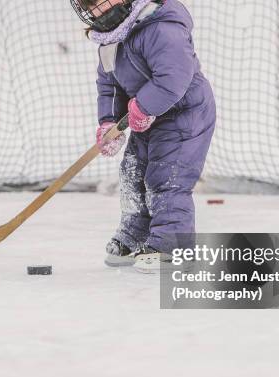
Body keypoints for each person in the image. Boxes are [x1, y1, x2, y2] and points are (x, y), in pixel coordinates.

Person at [70, 0, 216, 270]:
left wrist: (145, 106)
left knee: (165, 176)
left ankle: (171, 246)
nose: (96, 9)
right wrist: (109, 122)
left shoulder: (160, 26)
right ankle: (135, 237)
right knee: (132, 171)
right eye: (89, 5)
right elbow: (109, 86)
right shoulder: (110, 40)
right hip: (146, 117)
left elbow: (174, 77)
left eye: (99, 1)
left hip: (185, 112)